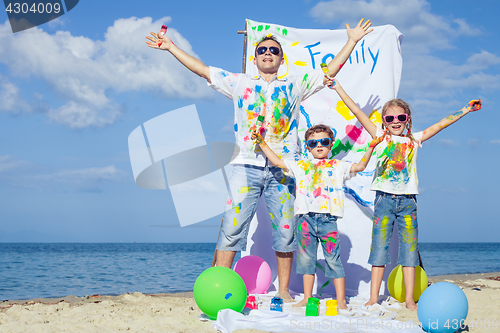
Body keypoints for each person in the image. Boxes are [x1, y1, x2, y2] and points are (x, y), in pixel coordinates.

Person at [146, 19, 373, 301]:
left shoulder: (295, 84)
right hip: (245, 166)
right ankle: (221, 287)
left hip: (285, 169)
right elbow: (202, 69)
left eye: (274, 51)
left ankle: (285, 293)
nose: (268, 53)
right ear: (254, 58)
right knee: (232, 227)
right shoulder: (239, 82)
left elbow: (330, 69)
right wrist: (171, 47)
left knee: (287, 230)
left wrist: (351, 41)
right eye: (263, 49)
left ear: (280, 59)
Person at [330, 79, 482, 310]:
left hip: (409, 202)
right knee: (379, 249)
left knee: (409, 252)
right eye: (390, 118)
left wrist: (466, 109)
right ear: (383, 121)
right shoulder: (380, 137)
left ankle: (410, 299)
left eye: (401, 117)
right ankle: (373, 298)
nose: (395, 122)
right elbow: (357, 111)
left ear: (407, 119)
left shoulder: (414, 140)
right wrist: (337, 87)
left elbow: (440, 125)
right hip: (383, 200)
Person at [252, 123, 382, 308]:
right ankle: (306, 298)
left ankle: (341, 301)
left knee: (333, 261)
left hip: (328, 220)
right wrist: (263, 143)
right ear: (307, 147)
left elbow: (360, 166)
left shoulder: (338, 166)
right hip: (305, 220)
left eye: (324, 141)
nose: (318, 145)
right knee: (306, 262)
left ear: (331, 144)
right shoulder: (300, 165)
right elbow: (278, 162)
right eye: (313, 143)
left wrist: (370, 148)